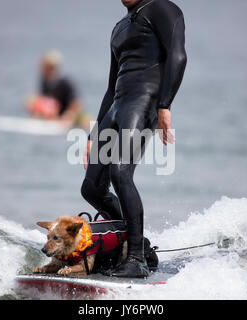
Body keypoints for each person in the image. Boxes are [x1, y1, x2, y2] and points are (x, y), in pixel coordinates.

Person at [81, 0, 187, 278]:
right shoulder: (119, 27)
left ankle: (136, 260)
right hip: (117, 106)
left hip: (144, 102)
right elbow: (110, 85)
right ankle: (141, 245)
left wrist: (165, 105)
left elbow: (178, 56)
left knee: (121, 172)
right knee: (92, 188)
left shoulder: (162, 8)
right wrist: (94, 135)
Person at [27, 50, 91, 129]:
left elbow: (76, 103)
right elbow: (46, 102)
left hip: (71, 114)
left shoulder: (64, 82)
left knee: (86, 121)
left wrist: (69, 116)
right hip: (57, 115)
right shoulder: (44, 82)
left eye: (44, 67)